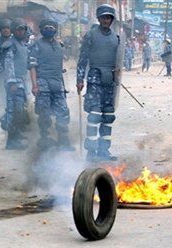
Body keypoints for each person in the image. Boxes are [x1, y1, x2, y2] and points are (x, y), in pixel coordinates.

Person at [77, 4, 122, 161]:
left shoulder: (116, 38)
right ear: (99, 18)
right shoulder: (90, 35)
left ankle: (104, 151)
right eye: (103, 17)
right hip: (95, 77)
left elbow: (119, 62)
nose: (106, 20)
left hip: (110, 80)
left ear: (112, 19)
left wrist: (118, 75)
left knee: (108, 115)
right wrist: (79, 79)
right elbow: (82, 59)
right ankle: (91, 152)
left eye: (108, 17)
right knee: (94, 115)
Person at [28, 19, 75, 151]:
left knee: (63, 112)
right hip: (43, 83)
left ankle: (63, 140)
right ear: (41, 30)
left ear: (56, 29)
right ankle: (45, 138)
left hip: (57, 84)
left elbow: (61, 66)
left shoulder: (59, 46)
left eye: (52, 26)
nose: (49, 28)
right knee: (44, 113)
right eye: (46, 26)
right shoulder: (36, 45)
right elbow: (32, 67)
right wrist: (34, 85)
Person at [1, 18, 29, 150]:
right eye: (18, 29)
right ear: (13, 30)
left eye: (22, 29)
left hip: (22, 82)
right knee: (15, 111)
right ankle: (12, 141)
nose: (20, 31)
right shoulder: (10, 44)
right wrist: (11, 82)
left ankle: (16, 137)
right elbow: (8, 64)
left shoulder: (22, 44)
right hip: (14, 83)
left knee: (20, 112)